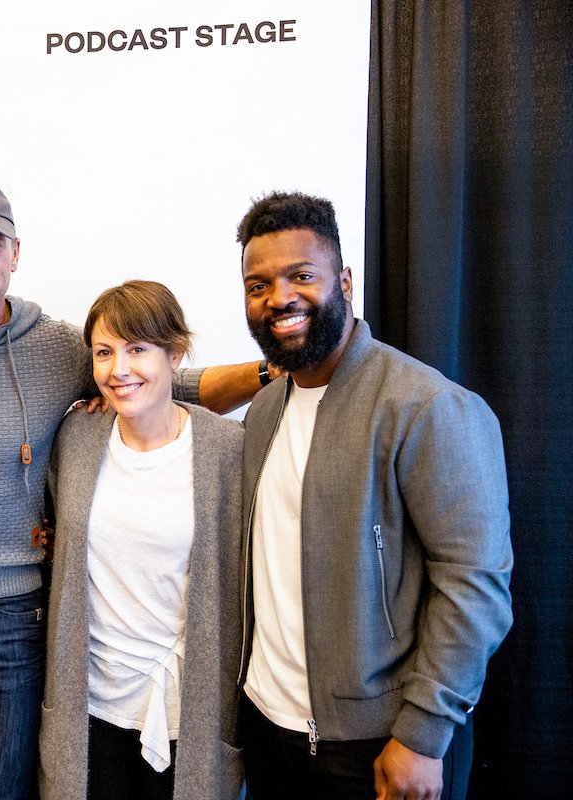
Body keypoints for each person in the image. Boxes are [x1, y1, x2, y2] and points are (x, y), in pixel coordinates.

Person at [0, 182, 267, 799]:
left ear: (15, 253)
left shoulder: (61, 347)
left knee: (1, 792)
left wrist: (275, 369)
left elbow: (168, 383)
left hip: (12, 616)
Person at [234, 191, 513, 800]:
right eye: (258, 285)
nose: (279, 298)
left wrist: (423, 734)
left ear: (345, 282)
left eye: (301, 276)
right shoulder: (263, 413)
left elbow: (475, 584)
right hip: (266, 730)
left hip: (377, 744)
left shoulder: (428, 407)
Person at [39, 280, 245, 800]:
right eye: (104, 352)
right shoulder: (77, 437)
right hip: (90, 707)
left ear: (175, 354)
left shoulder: (228, 449)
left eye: (137, 350)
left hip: (184, 712)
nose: (118, 369)